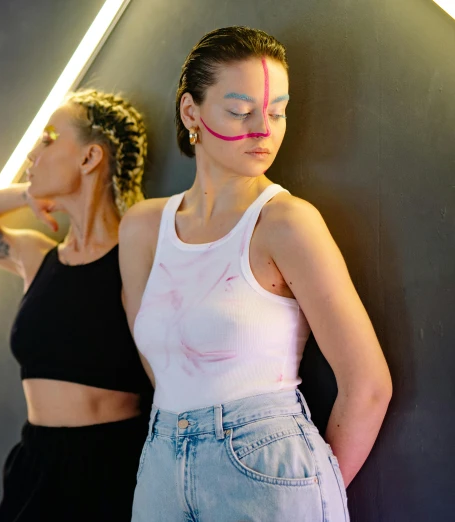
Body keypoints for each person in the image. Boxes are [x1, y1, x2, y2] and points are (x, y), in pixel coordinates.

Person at [119, 27, 392, 521]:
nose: (264, 129)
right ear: (190, 112)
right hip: (160, 457)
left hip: (263, 462)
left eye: (277, 111)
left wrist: (308, 495)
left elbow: (368, 384)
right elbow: (157, 357)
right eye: (241, 111)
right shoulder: (142, 227)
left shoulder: (286, 223)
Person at [0, 89, 152, 521]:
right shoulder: (38, 256)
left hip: (110, 470)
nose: (31, 155)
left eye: (49, 139)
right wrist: (29, 194)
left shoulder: (138, 256)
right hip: (34, 464)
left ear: (89, 157)